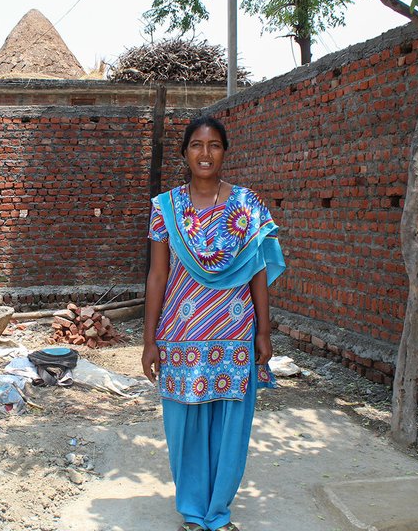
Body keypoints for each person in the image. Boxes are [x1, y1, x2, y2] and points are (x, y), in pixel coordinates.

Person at [142, 115, 286, 531]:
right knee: (184, 425)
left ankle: (218, 512)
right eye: (197, 146)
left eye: (214, 145)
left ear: (225, 151)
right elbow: (157, 275)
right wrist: (149, 341)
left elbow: (259, 270)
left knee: (229, 426)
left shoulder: (248, 205)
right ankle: (191, 510)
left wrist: (263, 330)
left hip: (234, 332)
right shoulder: (164, 207)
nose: (205, 154)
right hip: (182, 334)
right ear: (185, 153)